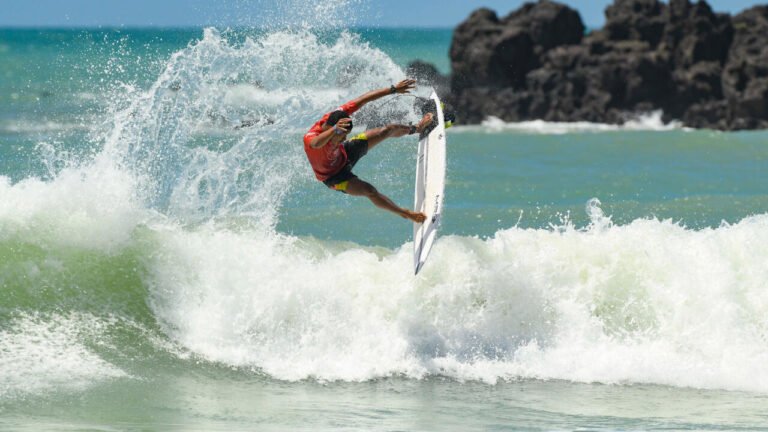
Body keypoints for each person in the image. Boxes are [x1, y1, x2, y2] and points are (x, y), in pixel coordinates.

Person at [303, 79, 435, 223]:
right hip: (334, 177)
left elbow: (363, 99)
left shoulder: (338, 116)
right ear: (332, 129)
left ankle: (417, 128)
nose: (344, 139)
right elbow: (316, 144)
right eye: (341, 136)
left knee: (387, 130)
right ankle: (405, 213)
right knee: (369, 191)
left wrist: (393, 89)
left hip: (345, 154)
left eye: (346, 135)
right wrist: (335, 130)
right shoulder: (311, 138)